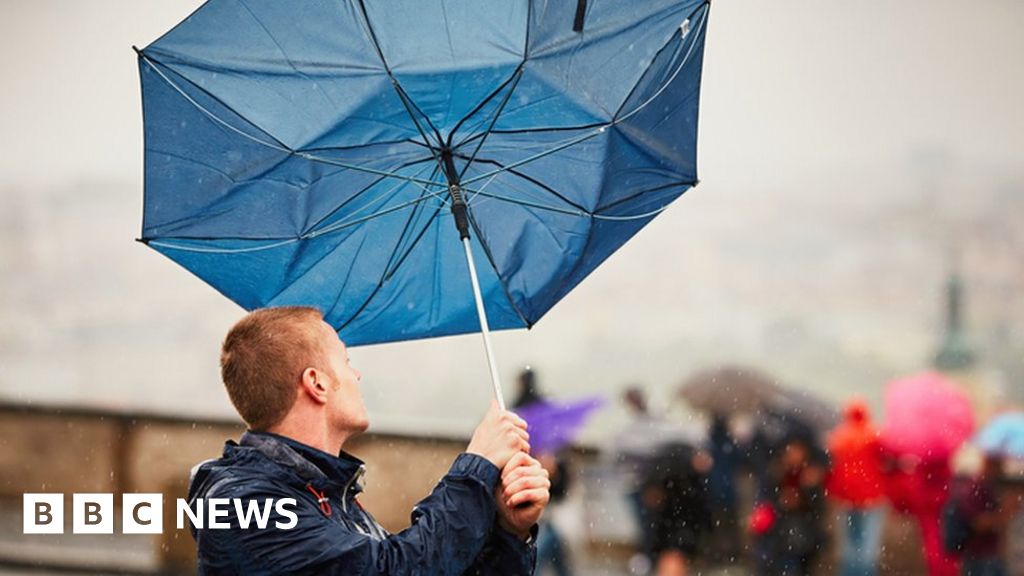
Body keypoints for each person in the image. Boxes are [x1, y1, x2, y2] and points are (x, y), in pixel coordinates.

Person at [188, 307, 550, 575]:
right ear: (317, 383)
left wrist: (507, 531)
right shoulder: (244, 506)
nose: (356, 374)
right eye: (346, 361)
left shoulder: (324, 493)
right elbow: (396, 570)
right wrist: (478, 465)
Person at [826, 400, 886, 576]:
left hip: (846, 499)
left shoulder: (838, 437)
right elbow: (888, 462)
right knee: (868, 546)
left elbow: (832, 469)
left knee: (849, 546)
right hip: (872, 499)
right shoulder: (875, 435)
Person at [951, 454, 1010, 576]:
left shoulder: (987, 488)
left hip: (988, 555)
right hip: (979, 556)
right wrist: (1004, 512)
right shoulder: (976, 489)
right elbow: (978, 523)